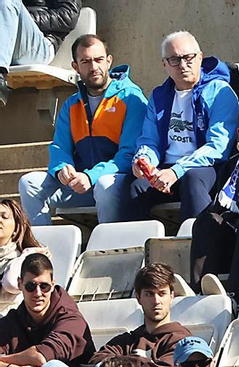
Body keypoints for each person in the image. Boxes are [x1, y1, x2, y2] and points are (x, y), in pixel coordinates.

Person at [19, 34, 145, 225]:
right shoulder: (71, 105)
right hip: (80, 185)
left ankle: (107, 249)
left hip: (117, 183)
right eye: (85, 61)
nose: (93, 67)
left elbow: (129, 155)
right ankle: (40, 250)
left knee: (104, 185)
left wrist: (91, 175)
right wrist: (62, 168)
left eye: (99, 59)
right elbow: (60, 147)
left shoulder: (132, 99)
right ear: (75, 67)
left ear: (109, 61)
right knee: (29, 183)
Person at [125, 32, 239, 222]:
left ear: (200, 58)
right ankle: (139, 248)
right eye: (174, 60)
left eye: (188, 58)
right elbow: (149, 139)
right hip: (165, 169)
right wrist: (143, 159)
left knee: (192, 179)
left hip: (206, 168)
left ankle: (198, 242)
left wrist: (178, 170)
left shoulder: (219, 91)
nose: (183, 65)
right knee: (136, 186)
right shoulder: (159, 96)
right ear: (165, 64)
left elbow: (218, 148)